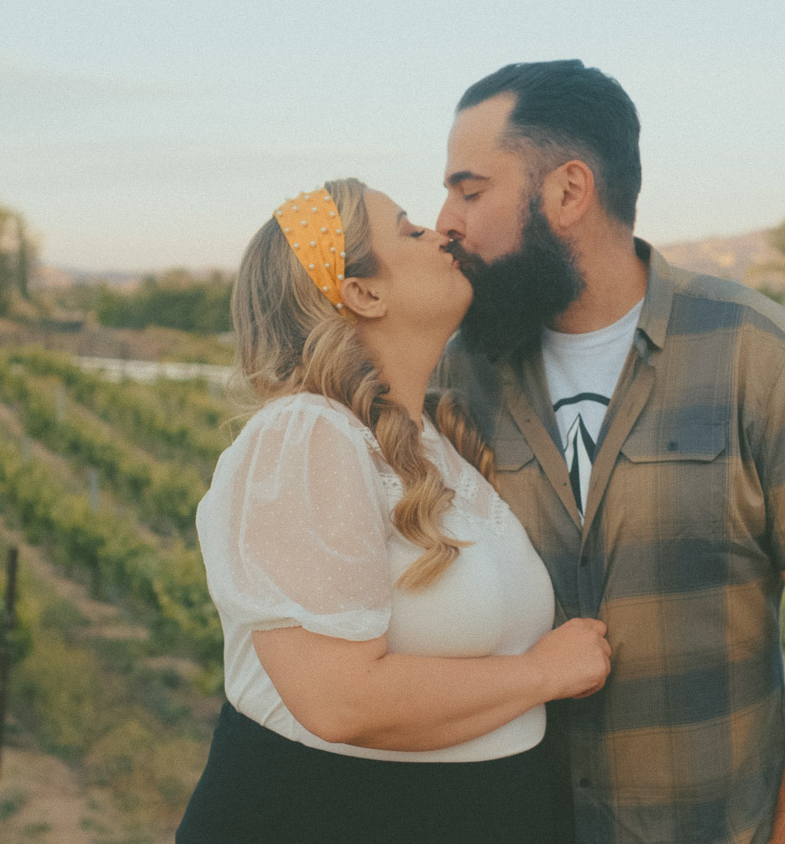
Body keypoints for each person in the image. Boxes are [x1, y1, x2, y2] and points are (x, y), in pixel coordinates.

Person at [432, 61, 785, 844]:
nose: (446, 219)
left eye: (470, 191)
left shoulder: (756, 351)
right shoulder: (455, 371)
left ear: (569, 192)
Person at [176, 177, 612, 844]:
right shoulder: (307, 434)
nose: (441, 233)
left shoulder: (434, 443)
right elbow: (339, 699)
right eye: (409, 230)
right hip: (333, 816)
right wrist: (545, 673)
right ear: (362, 292)